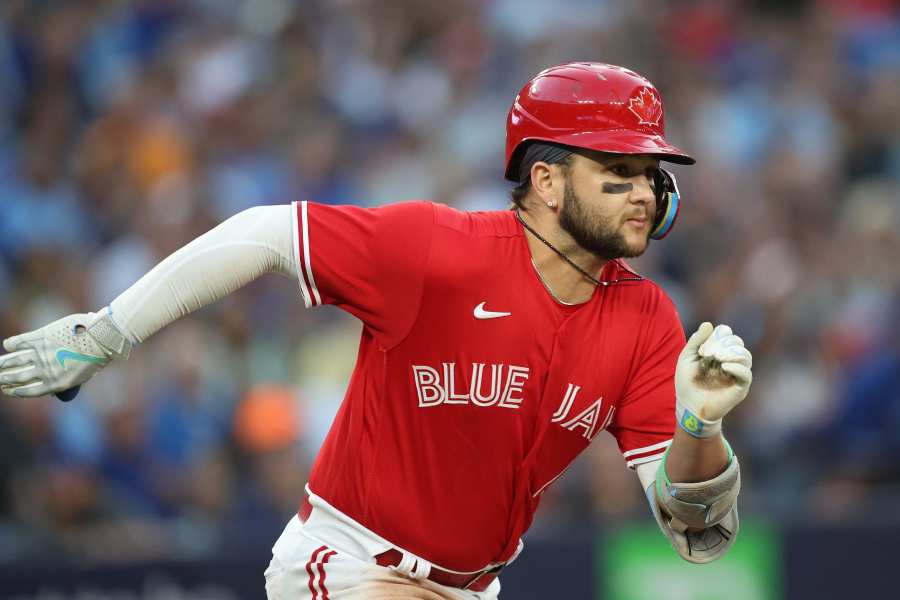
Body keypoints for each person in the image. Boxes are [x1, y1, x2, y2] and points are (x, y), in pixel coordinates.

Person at [0, 62, 752, 599]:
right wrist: (105, 334)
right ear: (547, 181)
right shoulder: (439, 249)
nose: (646, 194)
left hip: (471, 588)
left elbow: (696, 536)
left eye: (653, 174)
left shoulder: (647, 316)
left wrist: (700, 425)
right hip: (348, 565)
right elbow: (266, 233)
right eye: (617, 171)